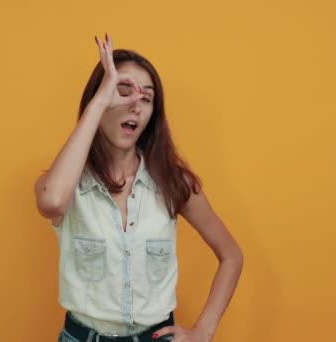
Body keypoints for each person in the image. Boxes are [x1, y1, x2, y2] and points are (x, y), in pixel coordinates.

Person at [34, 34, 244, 342]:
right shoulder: (65, 184)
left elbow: (232, 255)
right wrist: (100, 101)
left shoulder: (174, 183)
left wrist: (204, 330)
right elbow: (51, 202)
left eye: (146, 98)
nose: (135, 106)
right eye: (122, 93)